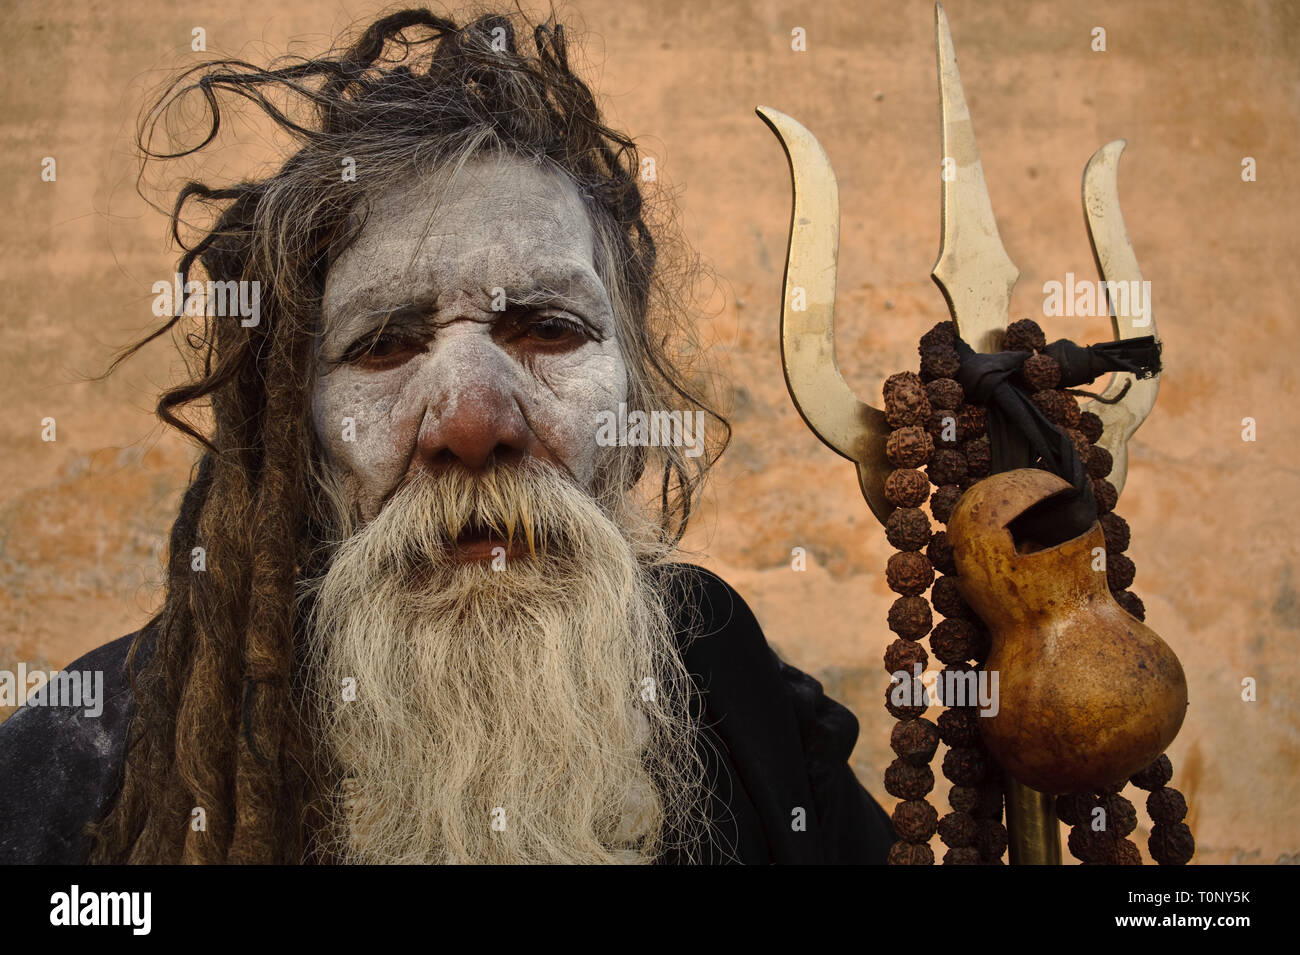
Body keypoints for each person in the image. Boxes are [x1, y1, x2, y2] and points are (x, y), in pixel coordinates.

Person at [0, 8, 893, 864]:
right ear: (297, 438)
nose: (471, 421)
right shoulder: (86, 762)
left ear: (631, 406)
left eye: (548, 328)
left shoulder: (736, 695)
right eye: (384, 344)